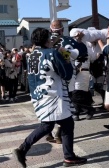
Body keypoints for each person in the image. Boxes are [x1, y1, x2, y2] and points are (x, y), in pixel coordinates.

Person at [12, 27, 87, 168]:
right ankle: (69, 157)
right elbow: (67, 74)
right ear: (47, 39)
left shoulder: (32, 55)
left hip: (38, 95)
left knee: (48, 125)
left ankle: (23, 149)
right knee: (66, 124)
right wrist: (64, 56)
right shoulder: (52, 53)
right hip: (54, 95)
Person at [46, 20, 88, 143]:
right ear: (62, 30)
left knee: (49, 104)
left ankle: (48, 130)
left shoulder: (45, 41)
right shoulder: (68, 40)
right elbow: (82, 52)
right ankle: (60, 131)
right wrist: (79, 41)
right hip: (66, 76)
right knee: (64, 105)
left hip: (48, 78)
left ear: (50, 29)